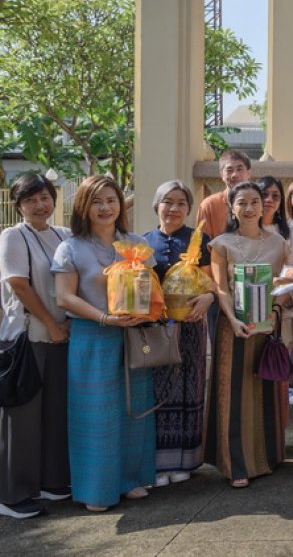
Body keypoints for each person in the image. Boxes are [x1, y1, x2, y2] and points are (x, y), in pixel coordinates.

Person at [51, 176, 157, 511]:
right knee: (96, 415)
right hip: (92, 337)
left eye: (111, 200)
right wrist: (103, 318)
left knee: (132, 410)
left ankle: (130, 480)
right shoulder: (70, 247)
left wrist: (146, 312)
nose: (105, 208)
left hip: (132, 335)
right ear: (83, 206)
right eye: (97, 201)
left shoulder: (136, 242)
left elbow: (152, 287)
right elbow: (64, 297)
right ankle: (96, 490)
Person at [206, 181, 292, 488]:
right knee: (235, 395)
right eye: (242, 202)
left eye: (256, 201)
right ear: (232, 207)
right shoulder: (221, 244)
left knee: (265, 389)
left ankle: (268, 456)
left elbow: (284, 284)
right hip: (235, 328)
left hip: (267, 325)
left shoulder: (279, 243)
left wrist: (276, 311)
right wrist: (232, 319)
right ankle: (236, 465)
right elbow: (219, 287)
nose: (250, 207)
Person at [0, 174, 71, 519]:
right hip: (28, 337)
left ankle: (51, 481)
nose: (40, 205)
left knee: (56, 412)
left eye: (44, 197)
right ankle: (12, 495)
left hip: (61, 335)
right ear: (19, 206)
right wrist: (52, 323)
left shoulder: (63, 235)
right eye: (30, 200)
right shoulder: (13, 237)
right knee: (23, 417)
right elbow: (19, 285)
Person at [143, 181, 214, 488]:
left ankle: (187, 459)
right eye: (167, 202)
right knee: (158, 390)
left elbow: (213, 283)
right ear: (156, 206)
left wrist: (208, 299)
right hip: (156, 329)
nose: (174, 209)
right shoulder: (143, 243)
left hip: (191, 326)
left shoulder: (200, 240)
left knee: (190, 387)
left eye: (181, 203)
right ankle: (159, 463)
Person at [197, 149, 252, 239]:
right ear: (221, 174)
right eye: (229, 170)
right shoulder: (209, 205)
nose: (234, 175)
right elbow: (202, 244)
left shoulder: (258, 203)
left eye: (239, 169)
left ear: (249, 173)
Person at [257, 176, 292, 242]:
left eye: (275, 196)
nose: (269, 200)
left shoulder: (289, 230)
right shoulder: (247, 228)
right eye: (264, 195)